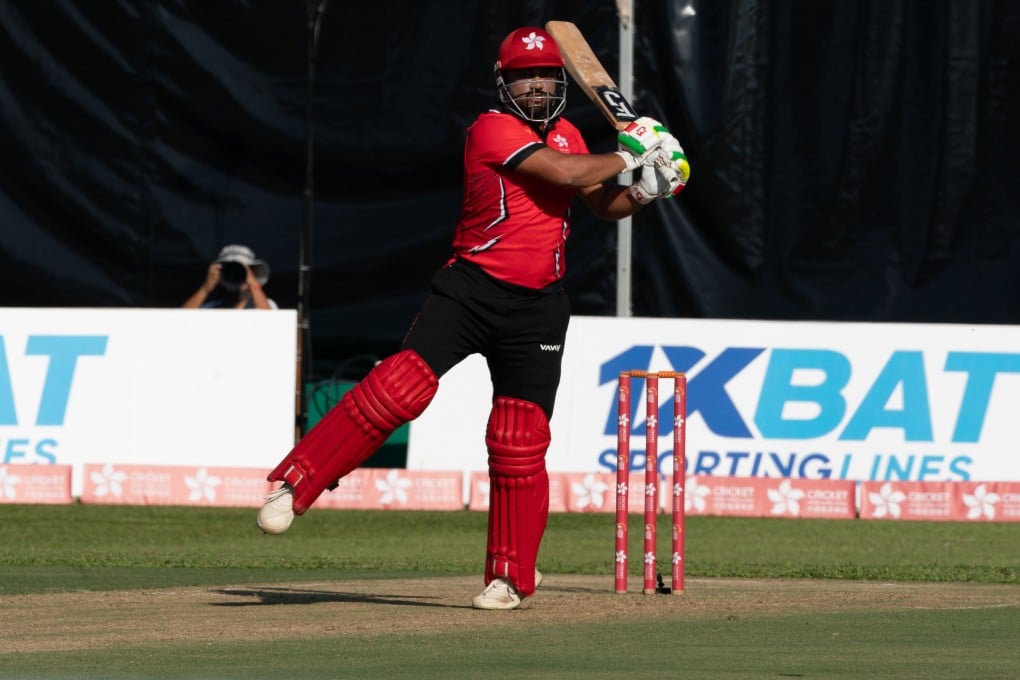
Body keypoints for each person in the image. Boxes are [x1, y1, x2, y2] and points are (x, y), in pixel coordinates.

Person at [257, 26, 690, 610]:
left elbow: (599, 201)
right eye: (522, 77)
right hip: (471, 291)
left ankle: (508, 579)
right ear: (503, 83)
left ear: (559, 82)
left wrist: (648, 189)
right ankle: (298, 482)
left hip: (539, 308)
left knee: (519, 438)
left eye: (544, 76)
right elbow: (566, 175)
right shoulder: (491, 129)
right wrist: (635, 151)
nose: (535, 86)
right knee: (400, 387)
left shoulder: (566, 134)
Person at [182, 244, 277, 309]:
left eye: (242, 271)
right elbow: (179, 320)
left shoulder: (265, 304)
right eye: (231, 271)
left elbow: (272, 322)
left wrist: (253, 284)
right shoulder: (212, 308)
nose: (237, 275)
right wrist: (206, 288)